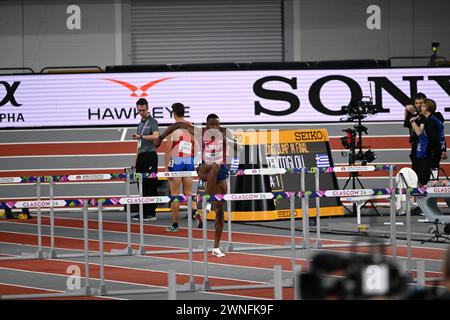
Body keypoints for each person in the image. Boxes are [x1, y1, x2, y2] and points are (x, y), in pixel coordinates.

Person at [154, 113, 241, 257]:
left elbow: (240, 149)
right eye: (211, 124)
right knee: (214, 166)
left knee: (220, 213)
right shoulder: (201, 132)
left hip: (221, 174)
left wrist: (227, 141)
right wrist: (161, 137)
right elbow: (178, 125)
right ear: (207, 125)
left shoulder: (225, 132)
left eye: (216, 124)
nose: (214, 127)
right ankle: (206, 200)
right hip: (204, 169)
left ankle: (216, 247)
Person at [164, 103, 201, 232]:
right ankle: (195, 211)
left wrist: (166, 168)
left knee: (175, 194)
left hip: (176, 161)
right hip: (188, 160)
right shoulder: (191, 127)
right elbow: (196, 148)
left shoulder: (173, 128)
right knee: (189, 193)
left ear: (174, 113)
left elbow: (168, 150)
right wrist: (192, 160)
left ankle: (175, 225)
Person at [131, 98, 160, 221]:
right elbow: (139, 144)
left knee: (150, 184)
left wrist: (141, 136)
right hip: (141, 157)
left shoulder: (153, 121)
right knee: (140, 184)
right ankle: (143, 211)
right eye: (139, 110)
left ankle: (151, 213)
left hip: (150, 155)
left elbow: (156, 136)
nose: (141, 112)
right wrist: (135, 160)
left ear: (147, 108)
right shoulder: (140, 124)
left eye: (143, 110)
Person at [410, 99, 445, 185]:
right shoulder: (433, 119)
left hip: (428, 157)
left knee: (426, 182)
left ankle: (426, 198)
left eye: (422, 106)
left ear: (427, 108)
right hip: (431, 156)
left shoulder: (430, 121)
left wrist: (430, 153)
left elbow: (433, 139)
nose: (420, 107)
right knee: (430, 181)